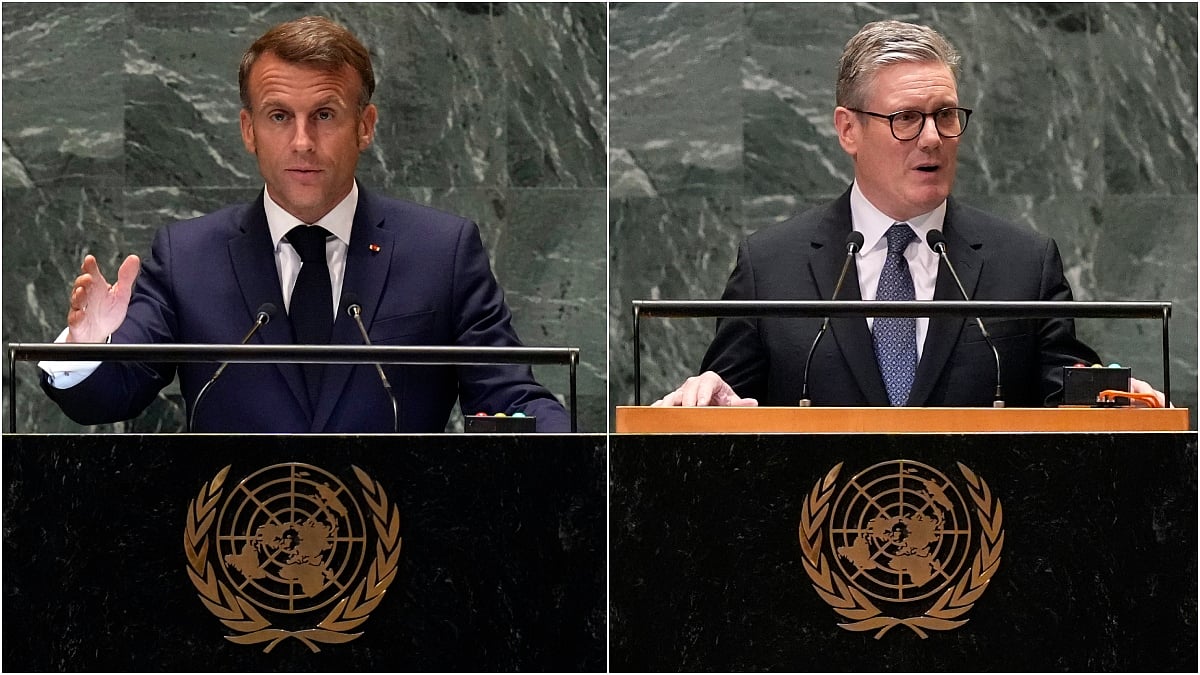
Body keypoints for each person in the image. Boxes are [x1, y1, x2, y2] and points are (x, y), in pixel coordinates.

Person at [39, 16, 569, 433]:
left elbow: (510, 397)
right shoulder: (188, 257)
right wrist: (86, 348)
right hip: (234, 535)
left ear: (365, 126)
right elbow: (107, 397)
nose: (301, 142)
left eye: (324, 115)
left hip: (399, 533)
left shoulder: (442, 252)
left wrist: (589, 450)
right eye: (278, 116)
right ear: (249, 130)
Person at [655, 19, 1163, 409]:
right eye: (906, 118)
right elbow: (725, 406)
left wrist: (1112, 400)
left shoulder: (1024, 265)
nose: (932, 138)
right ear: (848, 130)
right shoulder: (770, 267)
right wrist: (708, 399)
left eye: (945, 115)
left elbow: (1067, 399)